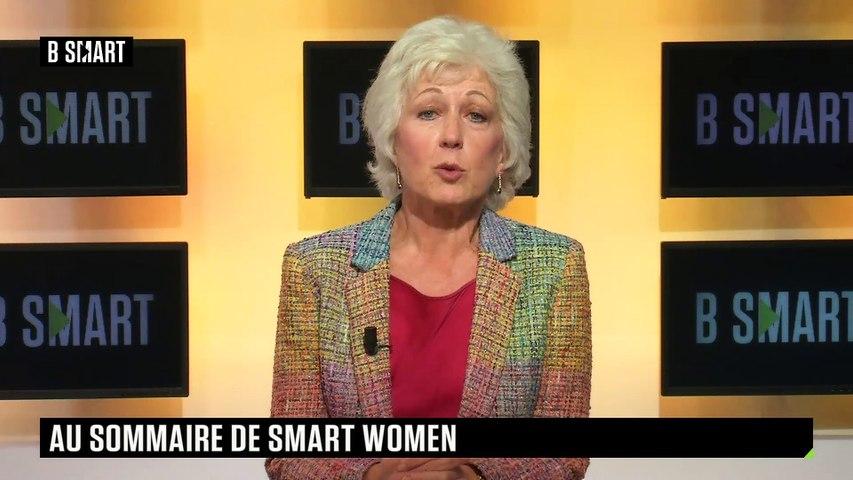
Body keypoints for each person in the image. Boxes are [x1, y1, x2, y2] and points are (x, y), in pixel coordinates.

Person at [266, 15, 591, 480]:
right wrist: (373, 477)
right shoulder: (315, 268)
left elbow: (563, 458)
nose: (452, 136)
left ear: (503, 150)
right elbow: (291, 453)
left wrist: (472, 477)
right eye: (428, 112)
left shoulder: (555, 267)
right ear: (392, 139)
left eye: (476, 115)